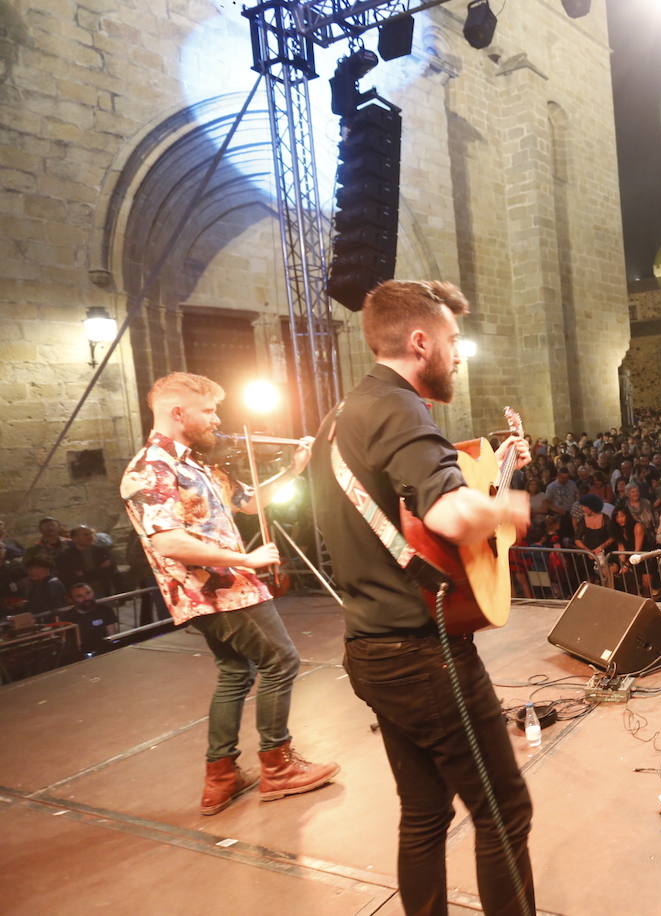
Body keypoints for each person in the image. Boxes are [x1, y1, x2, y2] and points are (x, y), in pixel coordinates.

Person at [309, 280, 535, 916]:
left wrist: (492, 474)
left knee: (425, 813)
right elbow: (452, 516)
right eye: (453, 340)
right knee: (504, 812)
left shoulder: (343, 415)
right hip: (424, 656)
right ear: (419, 342)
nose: (458, 355)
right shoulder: (398, 407)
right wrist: (510, 507)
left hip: (370, 648)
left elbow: (401, 507)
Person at [121, 372, 337, 817]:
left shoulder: (197, 464)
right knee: (282, 661)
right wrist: (246, 560)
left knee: (236, 672)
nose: (216, 420)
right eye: (208, 411)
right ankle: (278, 767)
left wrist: (293, 470)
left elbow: (250, 502)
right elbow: (169, 542)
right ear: (178, 412)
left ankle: (220, 777)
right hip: (217, 591)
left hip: (226, 589)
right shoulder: (150, 469)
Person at [54, 524, 117, 596]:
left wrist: (85, 573)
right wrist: (98, 570)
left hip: (104, 590)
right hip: (80, 594)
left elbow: (110, 570)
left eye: (91, 534)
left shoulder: (101, 551)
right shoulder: (65, 556)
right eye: (86, 535)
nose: (90, 537)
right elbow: (70, 578)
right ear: (75, 538)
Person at [58, 582, 117, 657]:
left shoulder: (105, 610)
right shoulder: (66, 617)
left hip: (105, 652)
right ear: (71, 599)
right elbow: (65, 643)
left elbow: (112, 636)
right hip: (79, 656)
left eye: (88, 593)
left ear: (93, 592)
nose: (86, 598)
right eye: (79, 596)